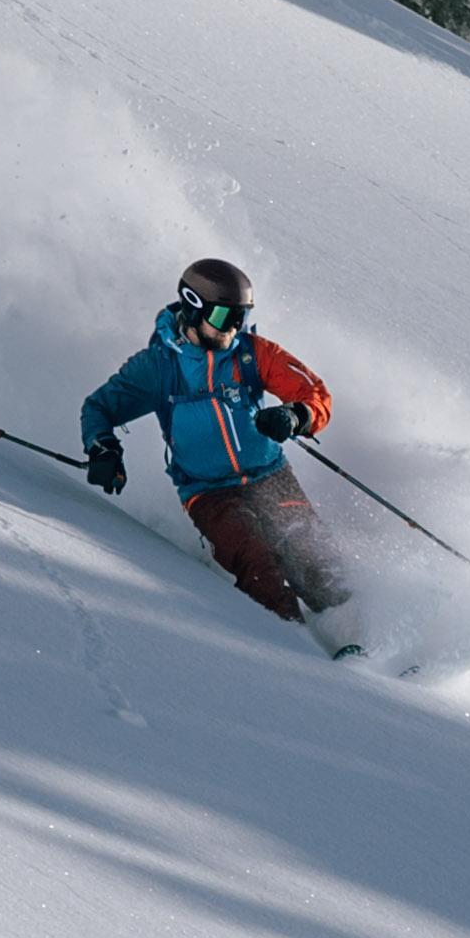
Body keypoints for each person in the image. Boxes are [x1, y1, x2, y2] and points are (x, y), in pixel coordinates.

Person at [80, 259, 365, 656]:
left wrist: (294, 416)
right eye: (222, 315)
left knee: (316, 561)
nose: (233, 327)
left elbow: (314, 393)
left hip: (269, 475)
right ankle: (303, 655)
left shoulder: (251, 354)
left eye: (241, 316)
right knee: (259, 562)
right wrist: (103, 447)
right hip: (208, 493)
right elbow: (98, 409)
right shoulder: (159, 368)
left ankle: (364, 646)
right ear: (193, 308)